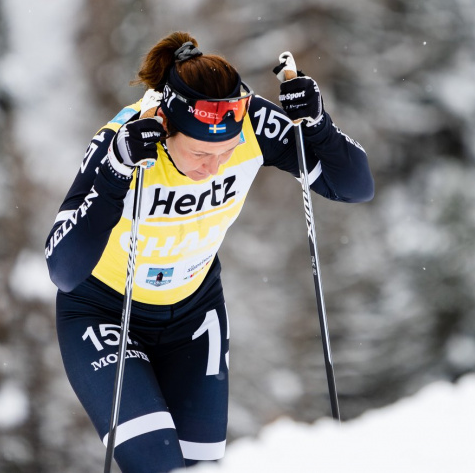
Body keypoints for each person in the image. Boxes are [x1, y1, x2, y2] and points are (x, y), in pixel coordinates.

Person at [45, 32, 374, 472]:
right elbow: (63, 269)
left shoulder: (252, 121)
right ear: (166, 128)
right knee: (158, 466)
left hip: (194, 316)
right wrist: (114, 175)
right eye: (200, 152)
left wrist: (318, 125)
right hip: (104, 313)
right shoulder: (127, 141)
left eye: (227, 152)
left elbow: (355, 187)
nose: (213, 168)